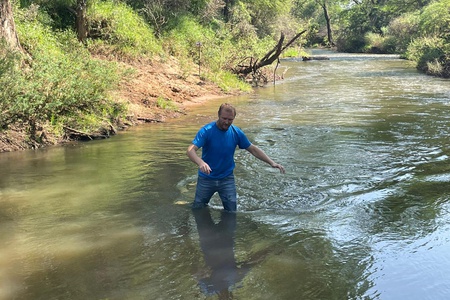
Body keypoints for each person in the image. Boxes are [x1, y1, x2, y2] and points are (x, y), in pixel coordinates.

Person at [186, 103, 285, 212]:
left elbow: (253, 149)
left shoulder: (236, 132)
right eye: (224, 118)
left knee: (232, 212)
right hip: (206, 178)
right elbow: (190, 150)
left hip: (227, 179)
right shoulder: (206, 131)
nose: (226, 122)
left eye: (230, 119)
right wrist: (201, 163)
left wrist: (272, 163)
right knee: (198, 208)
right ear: (218, 115)